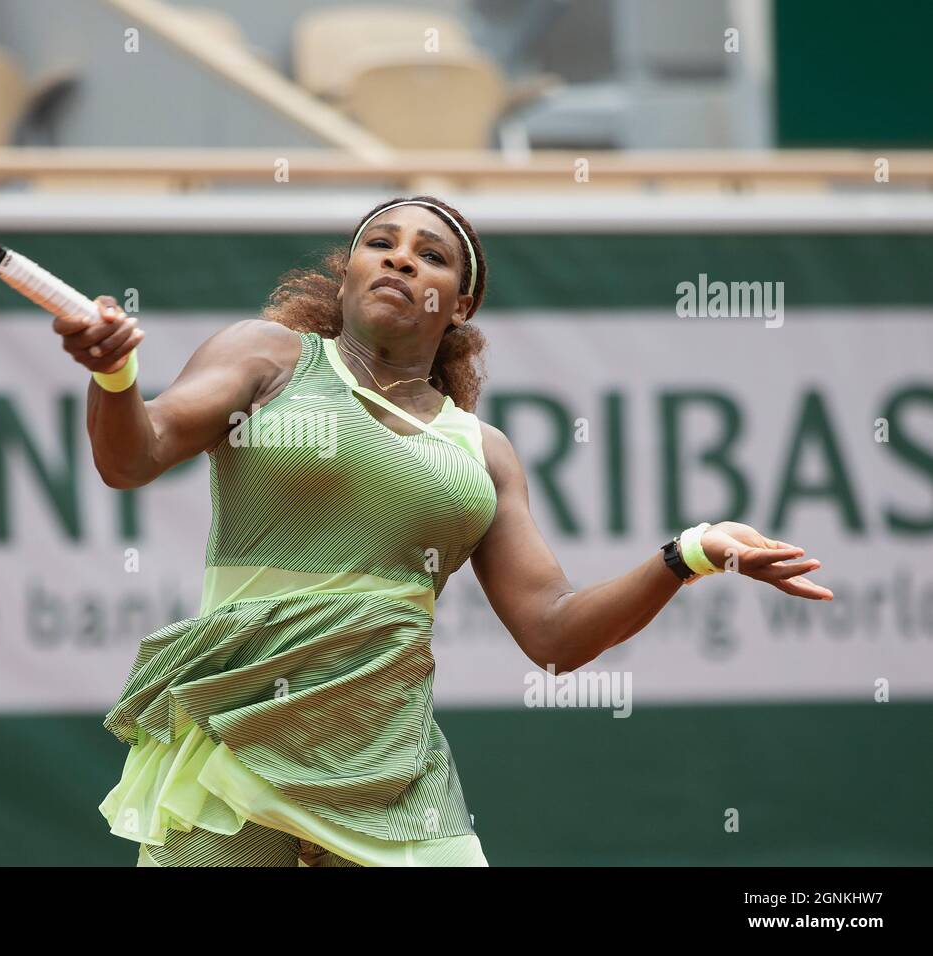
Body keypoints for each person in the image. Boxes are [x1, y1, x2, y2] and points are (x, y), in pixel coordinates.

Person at [52, 195, 832, 867]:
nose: (401, 262)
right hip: (234, 742)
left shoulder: (482, 453)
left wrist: (689, 553)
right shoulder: (269, 357)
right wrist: (113, 377)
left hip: (392, 771)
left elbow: (554, 635)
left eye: (431, 256)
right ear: (348, 273)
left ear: (458, 305)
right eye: (380, 245)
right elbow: (135, 456)